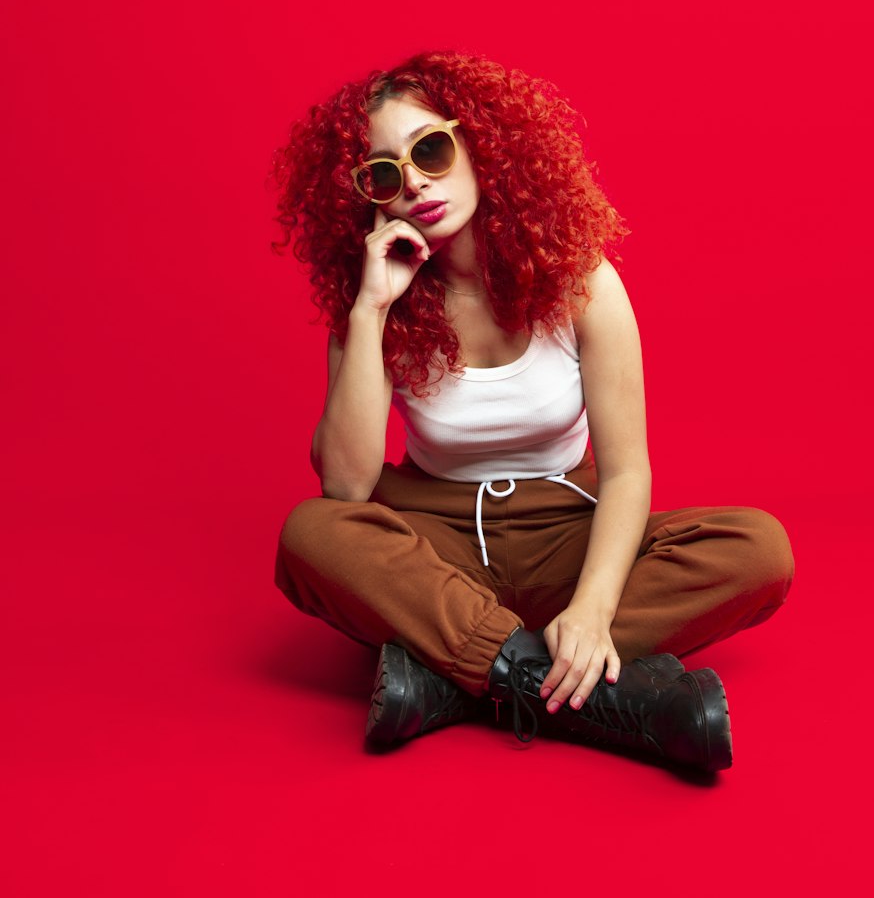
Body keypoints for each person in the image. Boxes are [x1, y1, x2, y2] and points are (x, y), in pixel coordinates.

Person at [270, 50, 794, 773]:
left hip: (565, 533)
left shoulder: (581, 281)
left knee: (758, 549)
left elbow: (627, 472)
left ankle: (459, 676)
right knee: (311, 534)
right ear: (370, 197)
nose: (416, 182)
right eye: (385, 173)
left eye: (430, 149)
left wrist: (593, 607)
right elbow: (347, 487)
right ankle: (589, 691)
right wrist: (369, 310)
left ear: (478, 143)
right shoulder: (377, 303)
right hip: (436, 542)